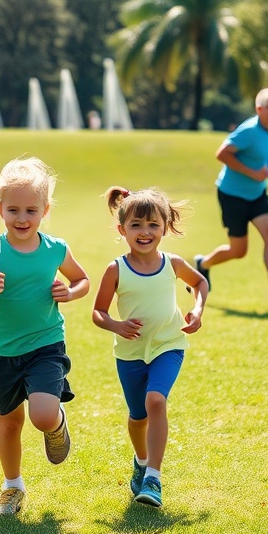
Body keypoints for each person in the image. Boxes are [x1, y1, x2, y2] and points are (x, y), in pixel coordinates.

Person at [0, 157, 90, 517]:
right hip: (2, 351)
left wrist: (70, 292)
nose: (22, 218)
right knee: (10, 422)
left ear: (45, 210)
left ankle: (56, 424)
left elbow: (82, 280)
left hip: (45, 344)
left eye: (31, 210)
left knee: (42, 414)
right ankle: (12, 487)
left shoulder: (55, 248)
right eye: (13, 210)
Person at [92, 187, 208, 509]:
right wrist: (116, 325)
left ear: (165, 227)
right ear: (122, 230)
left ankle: (153, 478)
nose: (145, 233)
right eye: (136, 225)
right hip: (129, 353)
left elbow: (200, 283)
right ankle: (141, 461)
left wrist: (197, 311)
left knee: (156, 400)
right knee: (137, 415)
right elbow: (98, 312)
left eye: (153, 225)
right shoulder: (116, 269)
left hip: (169, 345)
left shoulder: (173, 263)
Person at [192, 88, 268, 306]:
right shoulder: (249, 130)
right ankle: (203, 264)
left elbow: (259, 160)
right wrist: (253, 174)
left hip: (258, 194)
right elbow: (221, 154)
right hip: (232, 195)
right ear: (258, 109)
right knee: (238, 250)